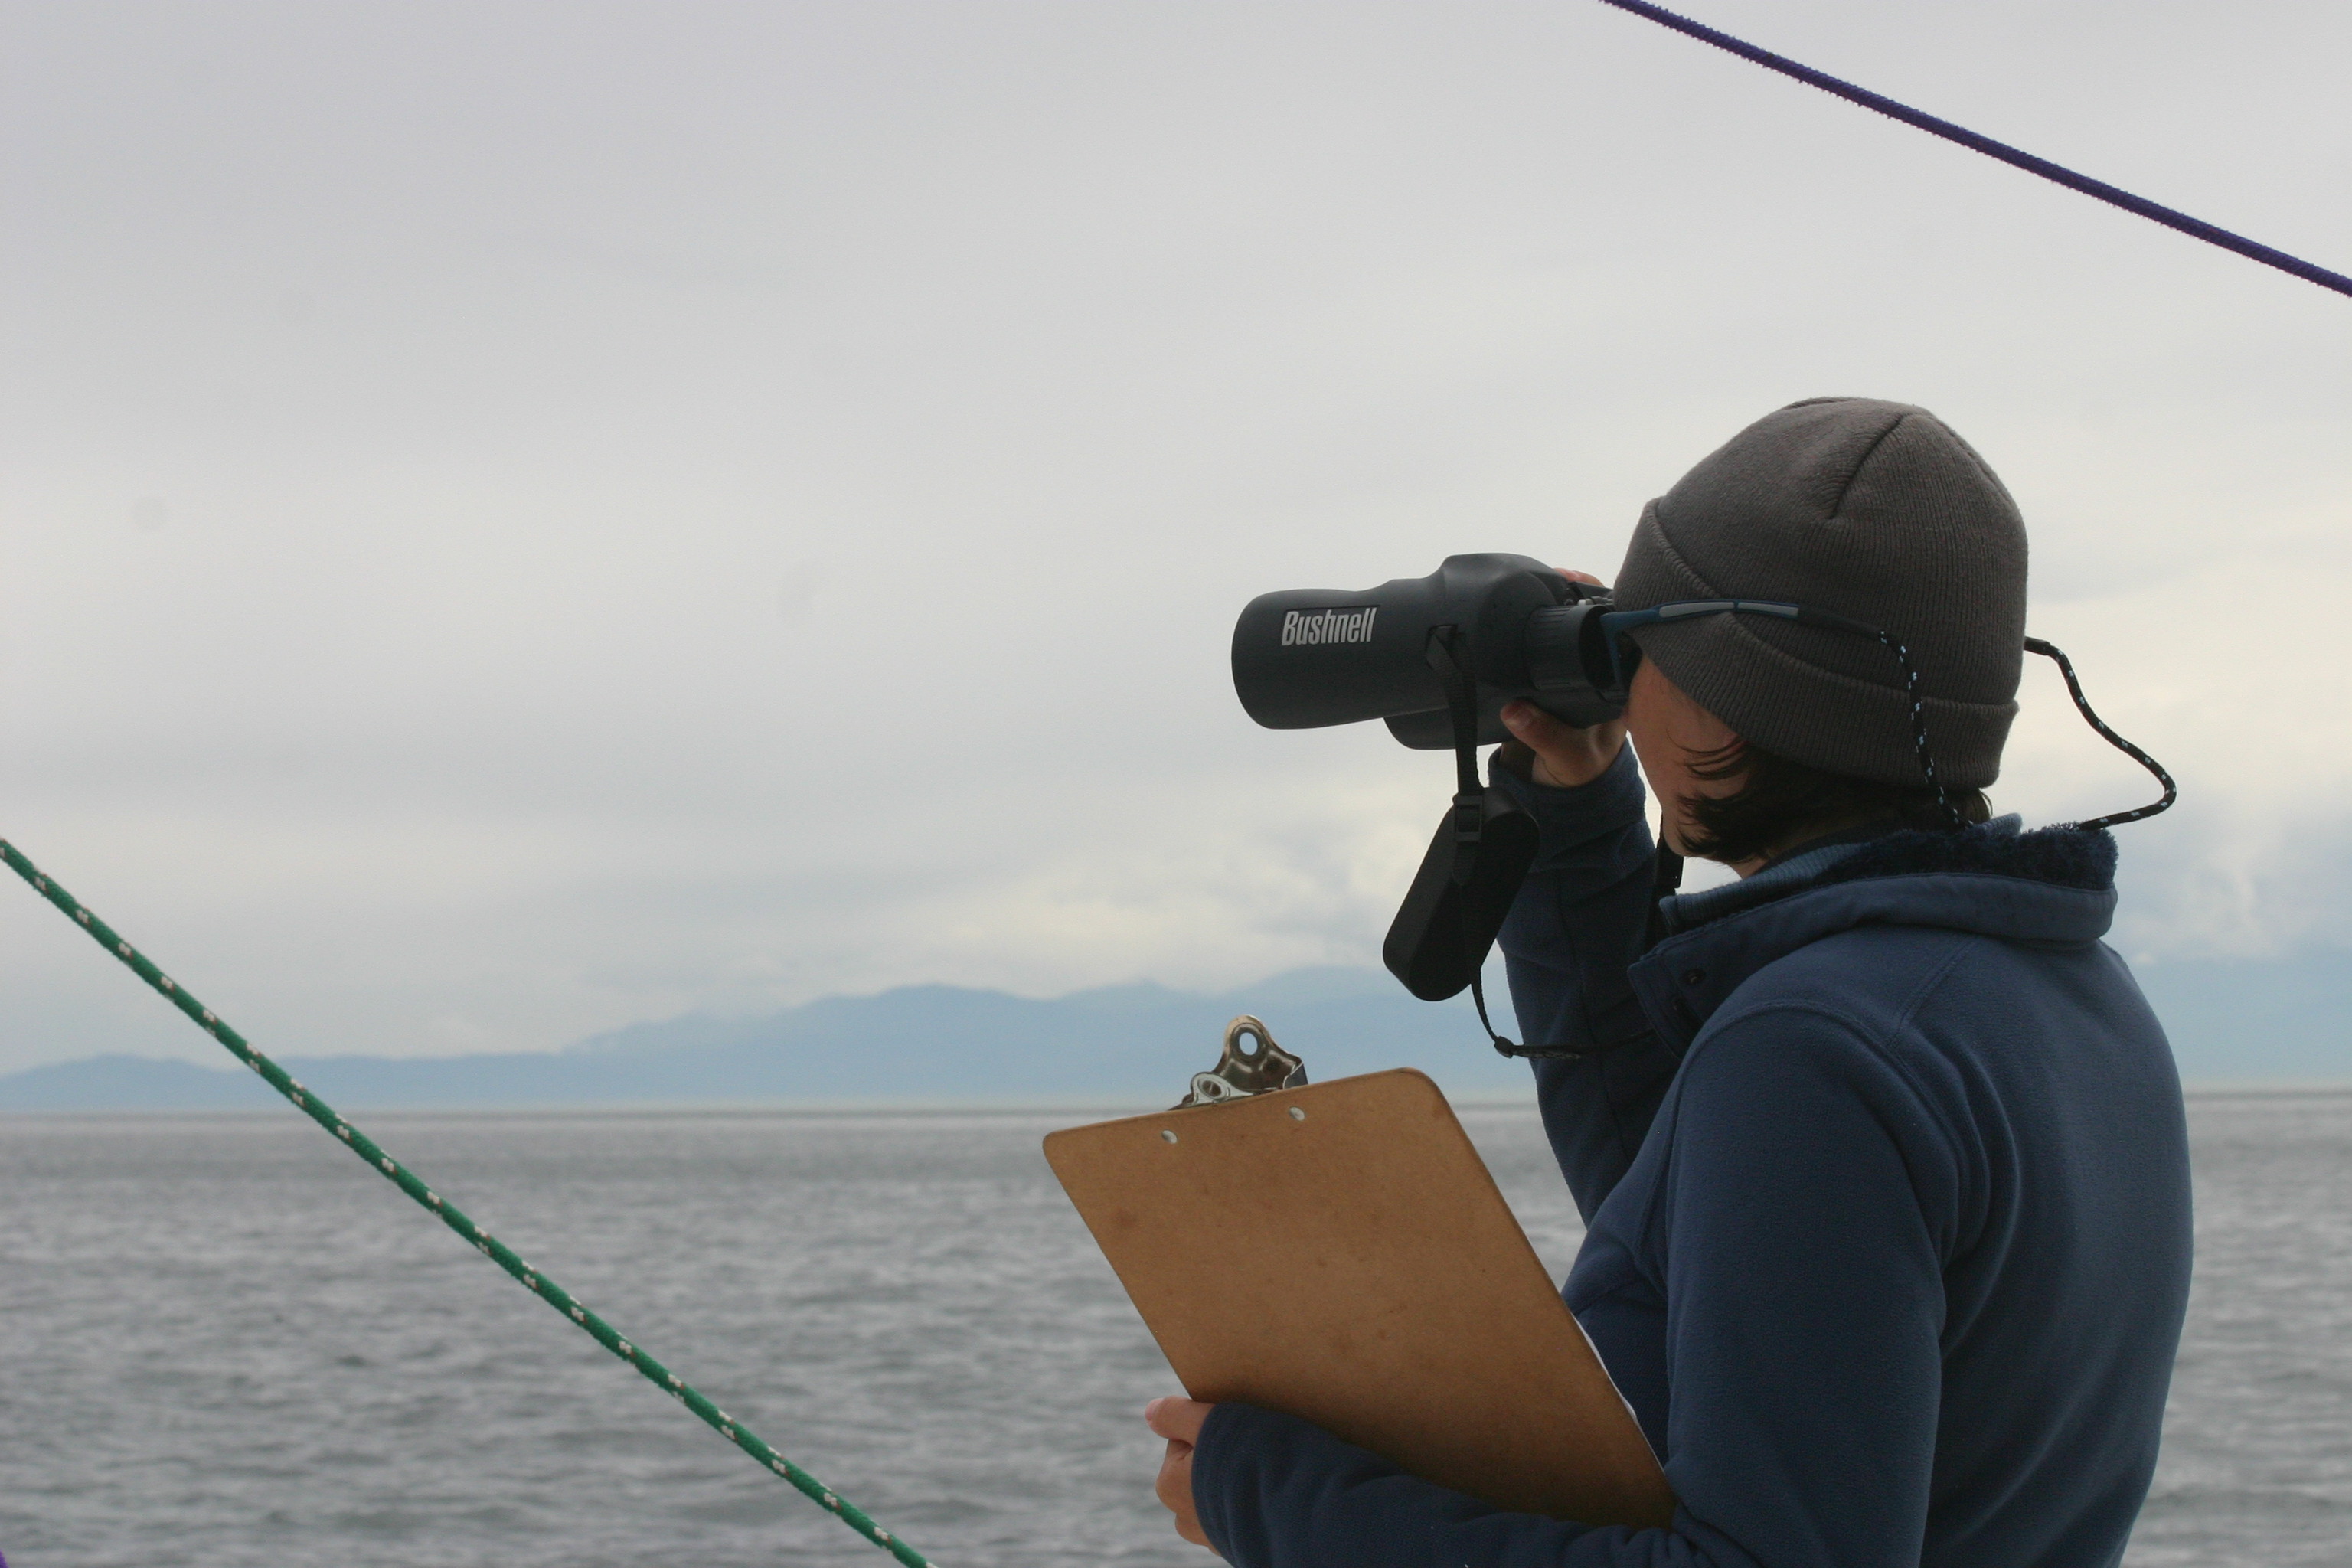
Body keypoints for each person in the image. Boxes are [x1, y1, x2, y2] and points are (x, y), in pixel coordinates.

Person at [1142, 397, 2193, 1566]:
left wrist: (1272, 1496)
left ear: (1724, 696)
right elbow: (1692, 1223)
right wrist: (1576, 819)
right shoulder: (2064, 999)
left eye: (1639, 648)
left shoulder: (1811, 1053)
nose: (1626, 688)